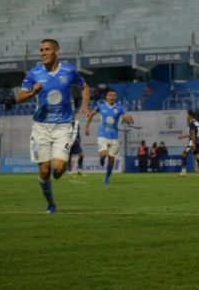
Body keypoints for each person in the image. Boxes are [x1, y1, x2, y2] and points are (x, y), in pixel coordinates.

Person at [15, 38, 90, 214]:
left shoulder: (69, 71)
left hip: (63, 126)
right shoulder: (34, 73)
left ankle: (61, 166)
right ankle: (51, 204)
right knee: (44, 172)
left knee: (57, 169)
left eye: (47, 49)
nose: (43, 53)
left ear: (56, 51)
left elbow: (85, 87)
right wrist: (33, 91)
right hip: (41, 128)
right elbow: (19, 97)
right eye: (41, 50)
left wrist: (84, 105)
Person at [85, 90, 134, 185]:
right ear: (106, 97)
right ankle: (102, 159)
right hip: (103, 135)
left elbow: (126, 117)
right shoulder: (101, 106)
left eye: (114, 95)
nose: (112, 97)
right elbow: (91, 114)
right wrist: (87, 127)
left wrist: (128, 120)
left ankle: (107, 177)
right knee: (103, 154)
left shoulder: (119, 108)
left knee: (112, 160)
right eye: (110, 95)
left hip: (114, 137)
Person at [178, 110, 199, 176]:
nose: (186, 117)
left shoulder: (191, 123)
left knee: (184, 154)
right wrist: (183, 136)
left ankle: (183, 171)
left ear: (190, 116)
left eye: (187, 115)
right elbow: (194, 133)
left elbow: (193, 133)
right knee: (197, 157)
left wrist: (193, 143)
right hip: (198, 141)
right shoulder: (197, 123)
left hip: (192, 141)